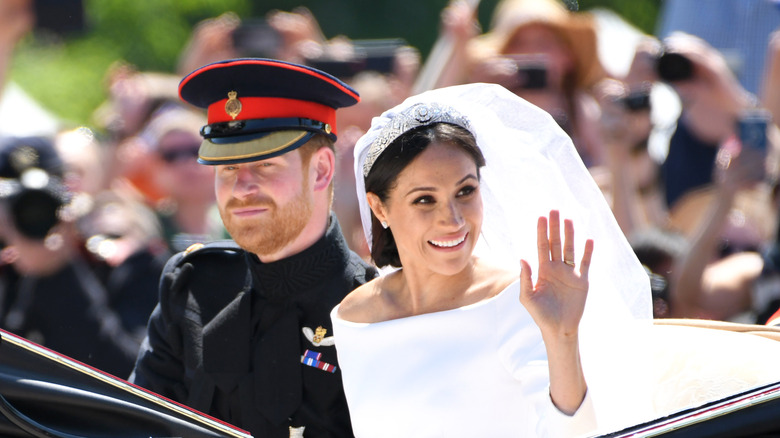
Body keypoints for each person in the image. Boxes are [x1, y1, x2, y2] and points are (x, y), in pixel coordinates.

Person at [332, 83, 658, 437]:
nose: (454, 219)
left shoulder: (522, 299)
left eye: (465, 191)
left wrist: (562, 337)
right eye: (425, 200)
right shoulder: (353, 317)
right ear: (380, 207)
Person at [129, 58, 379, 437]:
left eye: (264, 166)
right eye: (227, 168)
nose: (241, 188)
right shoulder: (193, 287)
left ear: (322, 170)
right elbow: (137, 425)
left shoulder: (377, 308)